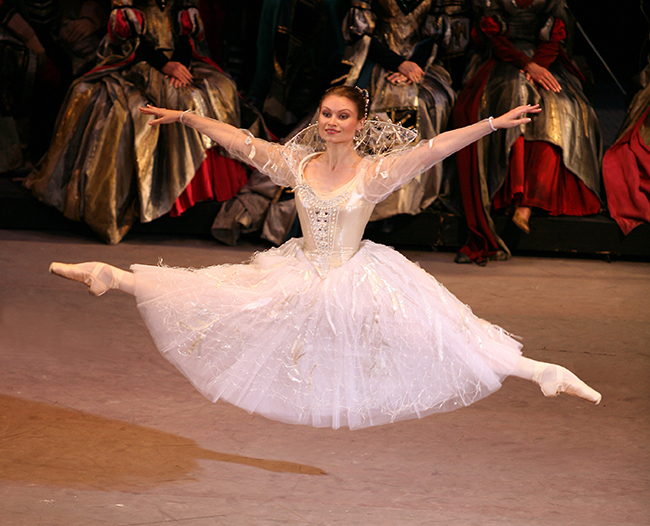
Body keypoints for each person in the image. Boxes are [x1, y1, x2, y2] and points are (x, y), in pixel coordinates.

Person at [47, 86, 601, 430]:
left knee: (445, 333)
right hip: (300, 271)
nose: (332, 122)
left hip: (358, 278)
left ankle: (542, 370)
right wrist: (191, 119)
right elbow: (241, 142)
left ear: (359, 123)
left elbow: (435, 148)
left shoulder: (374, 172)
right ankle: (109, 276)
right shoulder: (299, 165)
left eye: (342, 115)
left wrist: (492, 125)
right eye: (326, 114)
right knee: (217, 296)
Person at [24, 0, 259, 244]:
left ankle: (206, 188)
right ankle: (152, 194)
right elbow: (127, 39)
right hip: (139, 59)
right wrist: (165, 65)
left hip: (177, 59)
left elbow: (184, 31)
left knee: (220, 89)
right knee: (151, 105)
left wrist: (180, 64)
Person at [453, 0, 603, 264]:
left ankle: (530, 202)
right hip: (502, 60)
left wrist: (538, 66)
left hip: (545, 61)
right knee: (516, 96)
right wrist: (526, 65)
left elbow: (554, 39)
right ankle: (512, 191)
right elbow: (492, 39)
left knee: (563, 106)